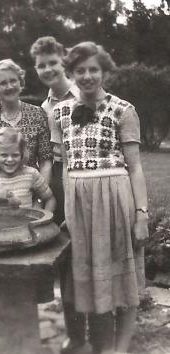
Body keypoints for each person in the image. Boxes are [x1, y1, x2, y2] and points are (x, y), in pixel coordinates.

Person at [53, 41, 149, 354]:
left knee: (125, 281)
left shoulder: (123, 109)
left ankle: (118, 349)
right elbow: (66, 166)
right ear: (70, 73)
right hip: (80, 205)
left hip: (114, 201)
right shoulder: (60, 112)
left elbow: (135, 168)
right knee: (93, 280)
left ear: (104, 71)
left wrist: (142, 214)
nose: (87, 76)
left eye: (94, 69)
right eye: (79, 70)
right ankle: (100, 345)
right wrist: (69, 206)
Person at [30, 36, 85, 354]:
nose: (48, 69)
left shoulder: (86, 93)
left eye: (53, 62)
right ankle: (77, 336)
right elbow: (46, 156)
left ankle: (107, 327)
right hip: (61, 186)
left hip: (90, 179)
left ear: (64, 61)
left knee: (94, 254)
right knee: (67, 258)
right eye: (41, 65)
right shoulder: (45, 107)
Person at [0, 59, 53, 187]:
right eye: (3, 83)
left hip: (29, 192)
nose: (9, 86)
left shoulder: (37, 114)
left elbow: (45, 161)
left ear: (20, 82)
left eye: (13, 81)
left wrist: (40, 199)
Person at [0, 127, 55, 213]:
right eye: (4, 155)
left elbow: (50, 199)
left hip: (27, 225)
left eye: (15, 155)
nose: (10, 159)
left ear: (22, 154)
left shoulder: (31, 174)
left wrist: (43, 220)